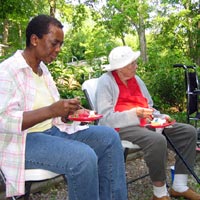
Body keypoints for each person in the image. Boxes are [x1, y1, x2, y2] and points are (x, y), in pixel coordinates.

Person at [0, 15, 128, 200]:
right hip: (22, 141)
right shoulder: (7, 71)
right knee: (83, 157)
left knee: (109, 137)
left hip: (53, 131)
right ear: (35, 40)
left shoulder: (43, 71)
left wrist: (69, 113)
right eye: (54, 43)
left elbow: (54, 113)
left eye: (61, 44)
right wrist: (52, 110)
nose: (58, 49)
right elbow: (4, 121)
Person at [95, 46, 200, 200]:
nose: (136, 66)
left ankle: (179, 186)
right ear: (120, 67)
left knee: (188, 132)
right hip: (121, 127)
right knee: (157, 140)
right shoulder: (106, 81)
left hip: (146, 122)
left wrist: (162, 116)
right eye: (132, 63)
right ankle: (159, 193)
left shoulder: (136, 79)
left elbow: (149, 106)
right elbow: (105, 118)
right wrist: (134, 114)